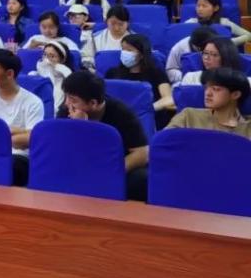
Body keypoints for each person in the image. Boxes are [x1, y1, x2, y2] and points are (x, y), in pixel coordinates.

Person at [59, 71, 149, 199]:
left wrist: (112, 171)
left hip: (112, 165)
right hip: (79, 164)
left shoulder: (122, 114)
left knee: (142, 180)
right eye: (66, 97)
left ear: (93, 103)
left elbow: (142, 153)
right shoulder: (66, 111)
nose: (66, 103)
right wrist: (80, 127)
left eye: (73, 100)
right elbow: (61, 146)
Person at [0, 50, 44, 186]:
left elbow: (32, 138)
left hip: (17, 156)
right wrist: (16, 131)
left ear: (10, 74)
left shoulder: (33, 102)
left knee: (8, 165)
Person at [105, 33, 173, 127]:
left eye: (129, 50)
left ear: (142, 54)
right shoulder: (112, 73)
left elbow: (168, 99)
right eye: (123, 49)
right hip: (118, 119)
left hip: (148, 119)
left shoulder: (156, 73)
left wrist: (146, 109)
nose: (124, 53)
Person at [167, 67, 251, 138]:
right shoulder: (188, 116)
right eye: (206, 88)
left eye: (215, 89)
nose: (207, 93)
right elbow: (164, 142)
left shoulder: (248, 128)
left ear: (235, 94)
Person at [186, 0, 251, 45]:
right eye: (198, 6)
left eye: (204, 6)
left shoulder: (224, 22)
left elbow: (249, 35)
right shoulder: (191, 22)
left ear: (216, 8)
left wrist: (230, 42)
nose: (200, 9)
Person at [179, 36, 245, 86]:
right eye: (205, 53)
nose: (206, 58)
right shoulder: (191, 78)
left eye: (214, 54)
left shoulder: (242, 82)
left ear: (226, 57)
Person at [30, 40, 71, 111]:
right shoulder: (35, 74)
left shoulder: (60, 83)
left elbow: (54, 110)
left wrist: (56, 66)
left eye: (52, 56)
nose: (47, 59)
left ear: (62, 60)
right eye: (45, 55)